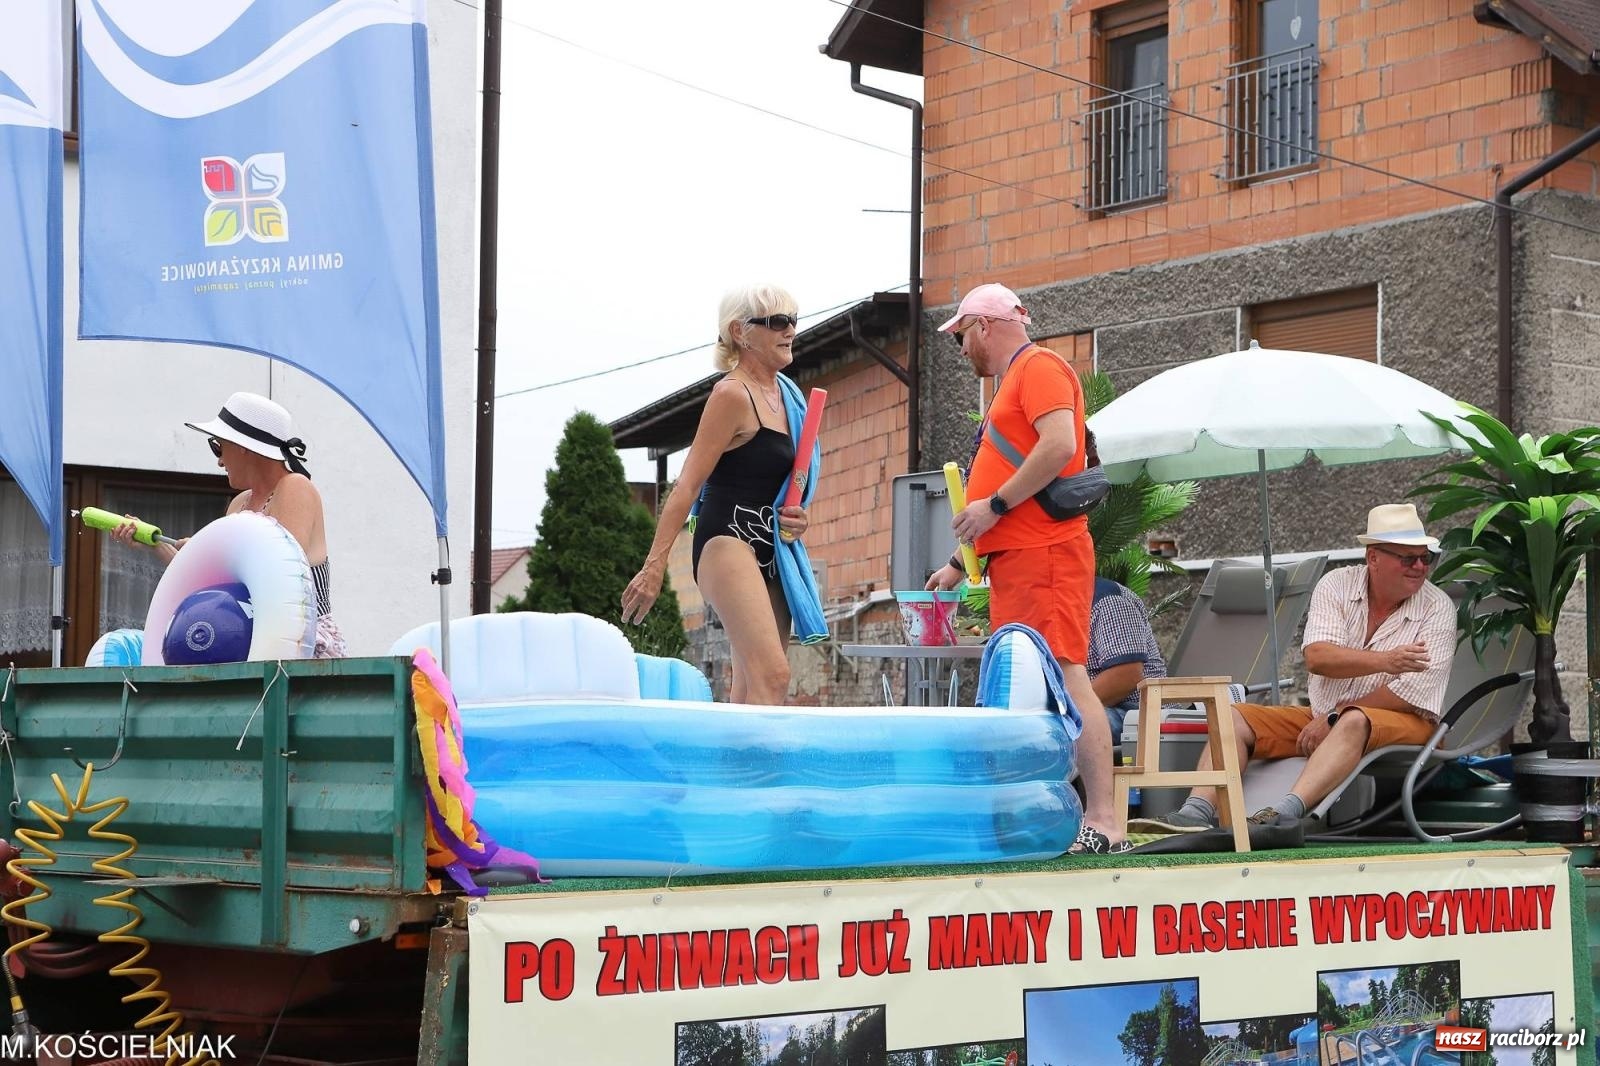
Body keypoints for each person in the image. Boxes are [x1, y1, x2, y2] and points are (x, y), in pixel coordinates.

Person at [924, 282, 1130, 855]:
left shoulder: (1037, 366)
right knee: (1041, 686)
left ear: (985, 325)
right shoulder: (1017, 377)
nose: (960, 348)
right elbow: (1011, 475)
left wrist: (992, 506)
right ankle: (1049, 816)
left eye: (961, 334)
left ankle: (1106, 821)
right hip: (1022, 557)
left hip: (1045, 555)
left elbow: (1058, 444)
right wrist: (956, 563)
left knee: (1067, 678)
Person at [1139, 503, 1456, 832]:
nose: (1420, 566)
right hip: (1325, 716)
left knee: (1354, 720)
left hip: (1413, 725)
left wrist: (1334, 717)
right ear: (1373, 557)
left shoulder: (1438, 608)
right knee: (1233, 715)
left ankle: (1282, 817)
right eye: (1408, 558)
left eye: (1426, 557)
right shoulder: (1336, 585)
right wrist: (1384, 662)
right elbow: (1319, 658)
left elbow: (1408, 695)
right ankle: (1195, 814)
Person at [621, 285, 811, 704]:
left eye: (794, 320)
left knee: (751, 686)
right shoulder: (731, 395)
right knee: (774, 675)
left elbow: (787, 487)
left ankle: (732, 768)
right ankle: (766, 770)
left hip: (773, 544)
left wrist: (800, 516)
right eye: (778, 322)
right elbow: (687, 484)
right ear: (740, 332)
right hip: (727, 540)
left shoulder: (788, 396)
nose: (791, 330)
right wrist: (654, 567)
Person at [112, 391, 346, 658]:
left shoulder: (295, 488)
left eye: (218, 445)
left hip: (300, 643)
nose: (219, 460)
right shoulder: (240, 503)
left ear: (244, 446)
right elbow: (219, 581)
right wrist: (155, 544)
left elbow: (281, 577)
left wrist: (205, 554)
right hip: (247, 638)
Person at [1089, 577, 1167, 741]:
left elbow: (1126, 676)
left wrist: (1066, 710)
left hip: (1137, 711)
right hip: (1099, 709)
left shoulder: (1108, 600)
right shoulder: (1044, 606)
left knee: (1056, 730)